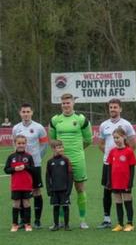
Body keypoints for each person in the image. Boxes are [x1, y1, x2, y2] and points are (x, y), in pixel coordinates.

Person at [49, 93, 92, 229]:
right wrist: (60, 154)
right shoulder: (55, 120)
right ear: (61, 104)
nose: (66, 105)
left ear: (73, 103)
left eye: (68, 103)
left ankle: (83, 220)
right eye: (63, 103)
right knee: (60, 190)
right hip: (60, 162)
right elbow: (52, 141)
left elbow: (88, 140)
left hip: (78, 159)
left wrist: (77, 151)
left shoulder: (81, 119)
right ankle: (61, 221)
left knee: (80, 189)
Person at [98, 99, 136, 229]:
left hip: (123, 164)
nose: (113, 109)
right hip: (108, 163)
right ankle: (107, 218)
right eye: (111, 107)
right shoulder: (104, 125)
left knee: (125, 192)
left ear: (120, 109)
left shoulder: (126, 124)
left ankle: (129, 222)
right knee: (107, 190)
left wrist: (123, 156)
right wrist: (112, 156)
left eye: (115, 107)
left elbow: (133, 143)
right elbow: (101, 144)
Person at [12, 103, 48, 228]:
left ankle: (37, 220)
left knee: (36, 190)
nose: (26, 114)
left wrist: (37, 157)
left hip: (35, 165)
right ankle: (23, 220)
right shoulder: (16, 128)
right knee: (22, 191)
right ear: (20, 113)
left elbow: (44, 145)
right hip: (21, 166)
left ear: (32, 112)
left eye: (28, 111)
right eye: (23, 112)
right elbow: (14, 144)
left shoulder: (39, 127)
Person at [106, 128, 136, 232]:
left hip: (125, 182)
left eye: (118, 137)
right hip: (115, 182)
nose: (116, 140)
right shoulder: (112, 152)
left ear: (124, 137)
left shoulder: (129, 151)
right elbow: (109, 168)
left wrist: (130, 182)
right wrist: (109, 181)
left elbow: (132, 168)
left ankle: (130, 223)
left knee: (127, 201)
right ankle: (120, 224)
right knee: (118, 202)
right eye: (114, 138)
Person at [4, 135, 35, 232]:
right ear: (15, 144)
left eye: (23, 143)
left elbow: (33, 169)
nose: (21, 145)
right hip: (16, 185)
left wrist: (25, 167)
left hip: (26, 185)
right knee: (16, 204)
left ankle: (27, 224)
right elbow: (6, 170)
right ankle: (15, 224)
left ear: (26, 144)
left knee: (26, 203)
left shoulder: (29, 156)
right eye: (19, 143)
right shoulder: (11, 157)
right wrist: (14, 169)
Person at [45, 140, 73, 231]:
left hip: (64, 189)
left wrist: (69, 189)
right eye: (59, 147)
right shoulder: (50, 162)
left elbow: (70, 175)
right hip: (54, 189)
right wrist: (49, 189)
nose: (61, 149)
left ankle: (67, 225)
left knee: (65, 207)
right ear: (53, 149)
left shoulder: (66, 160)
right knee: (55, 207)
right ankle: (56, 225)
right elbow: (47, 176)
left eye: (62, 147)